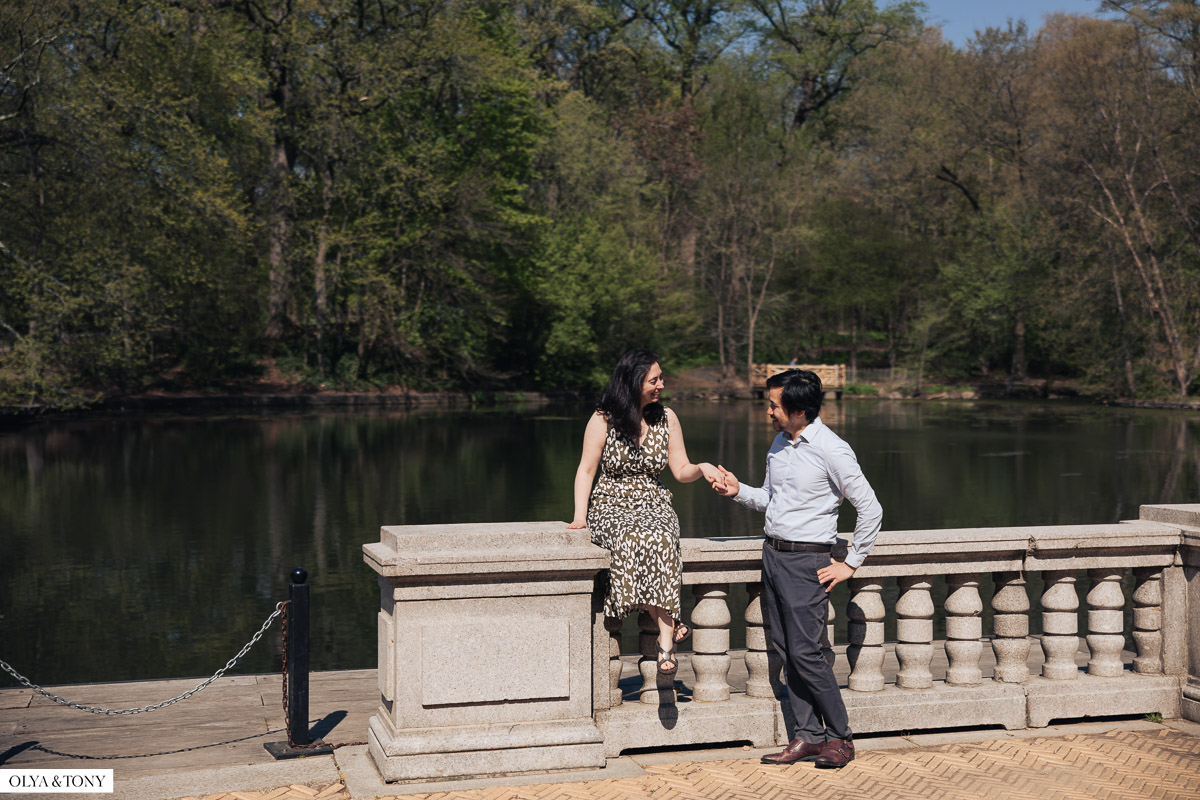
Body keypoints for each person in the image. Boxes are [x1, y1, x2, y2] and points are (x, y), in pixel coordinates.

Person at [712, 369, 882, 769]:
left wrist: (851, 564)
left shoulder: (832, 449)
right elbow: (772, 499)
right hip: (773, 555)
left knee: (806, 653)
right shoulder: (779, 442)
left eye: (774, 405)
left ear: (800, 409)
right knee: (787, 651)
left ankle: (841, 738)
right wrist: (739, 492)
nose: (768, 411)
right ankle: (807, 736)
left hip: (809, 561)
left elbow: (871, 508)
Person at [568, 349, 722, 675]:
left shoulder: (667, 417)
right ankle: (670, 622)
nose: (661, 385)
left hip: (654, 501)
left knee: (663, 538)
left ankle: (666, 643)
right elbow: (586, 470)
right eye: (654, 380)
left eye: (661, 378)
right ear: (634, 381)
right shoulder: (602, 419)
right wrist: (581, 516)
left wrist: (703, 468)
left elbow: (680, 469)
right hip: (611, 504)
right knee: (630, 538)